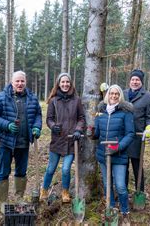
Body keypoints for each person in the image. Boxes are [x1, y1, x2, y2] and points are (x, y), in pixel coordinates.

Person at [0, 71, 42, 209]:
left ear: (25, 82)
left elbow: (37, 115)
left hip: (24, 142)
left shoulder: (32, 98)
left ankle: (19, 198)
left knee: (21, 171)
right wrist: (7, 125)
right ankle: (4, 202)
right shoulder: (1, 97)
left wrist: (36, 127)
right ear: (12, 82)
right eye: (17, 81)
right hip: (6, 142)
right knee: (3, 171)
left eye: (22, 81)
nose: (20, 84)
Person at [41, 73, 86, 203]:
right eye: (62, 82)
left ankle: (65, 191)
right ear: (58, 84)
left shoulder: (76, 100)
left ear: (70, 84)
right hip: (57, 140)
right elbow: (49, 119)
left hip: (72, 141)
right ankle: (44, 189)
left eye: (67, 82)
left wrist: (78, 129)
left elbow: (81, 118)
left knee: (66, 169)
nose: (65, 84)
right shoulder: (54, 101)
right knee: (50, 168)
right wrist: (53, 126)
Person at [93, 85, 135, 217]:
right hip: (103, 154)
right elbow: (97, 134)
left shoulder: (125, 113)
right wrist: (91, 132)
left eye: (117, 94)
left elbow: (130, 134)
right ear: (107, 95)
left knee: (120, 186)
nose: (114, 96)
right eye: (111, 93)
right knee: (107, 183)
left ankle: (124, 210)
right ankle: (110, 207)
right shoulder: (101, 112)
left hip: (119, 155)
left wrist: (117, 147)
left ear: (120, 96)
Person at [123, 69, 150, 193]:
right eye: (133, 79)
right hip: (123, 136)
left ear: (141, 82)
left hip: (137, 137)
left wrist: (149, 128)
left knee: (138, 167)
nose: (135, 82)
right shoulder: (123, 94)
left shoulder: (148, 97)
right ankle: (123, 193)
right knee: (122, 166)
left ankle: (140, 193)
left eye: (137, 80)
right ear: (130, 81)